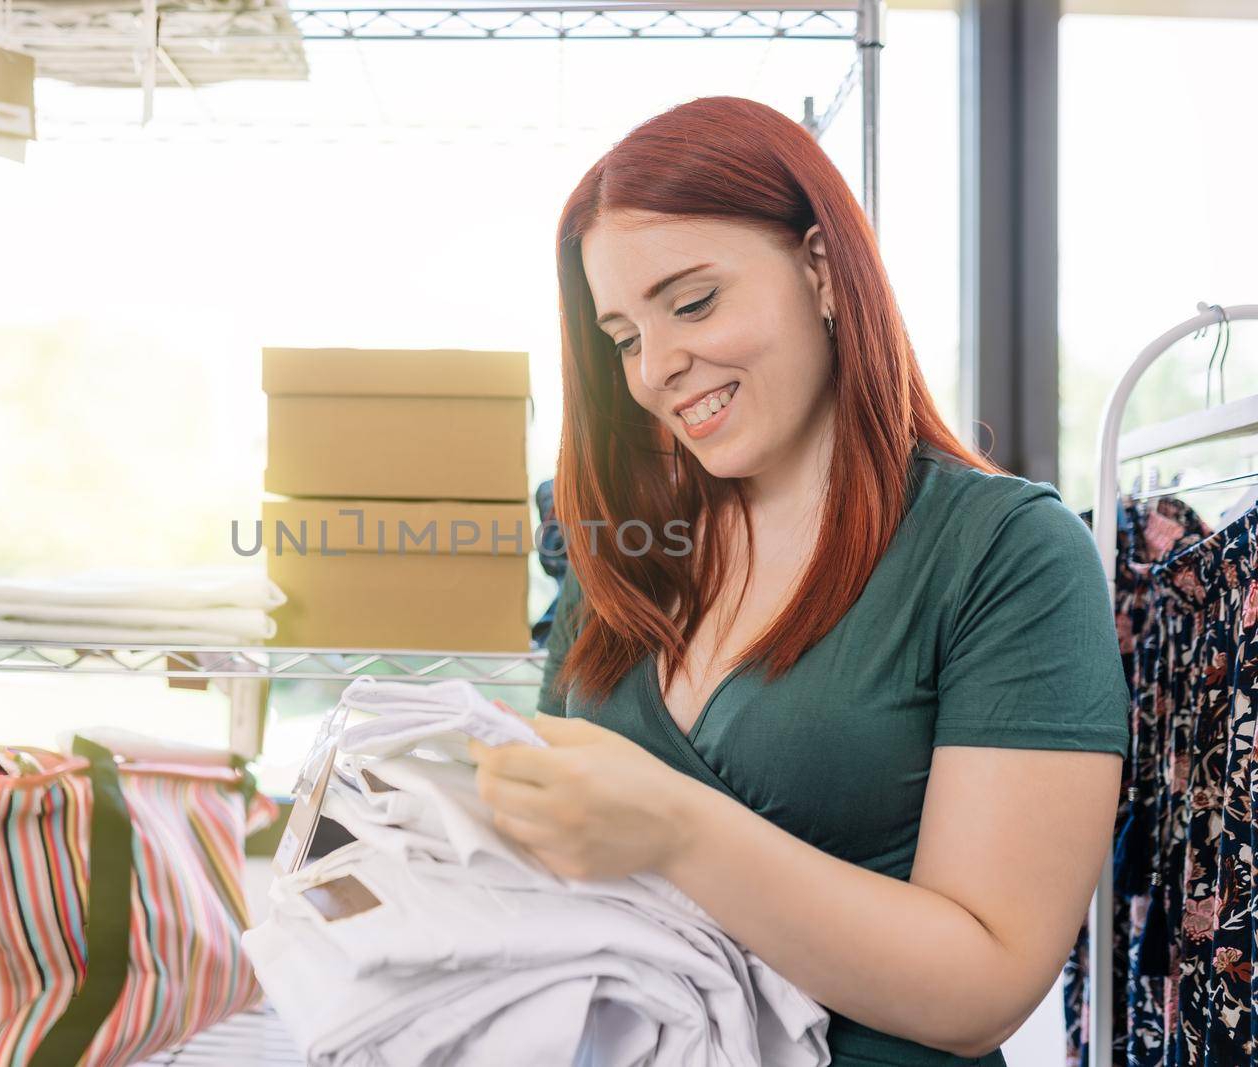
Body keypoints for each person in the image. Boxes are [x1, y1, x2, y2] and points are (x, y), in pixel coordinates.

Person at [467, 96, 1126, 1067]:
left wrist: (672, 827)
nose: (656, 368)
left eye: (691, 303)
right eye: (623, 336)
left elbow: (982, 985)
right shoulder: (616, 544)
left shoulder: (1002, 555)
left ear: (820, 268)